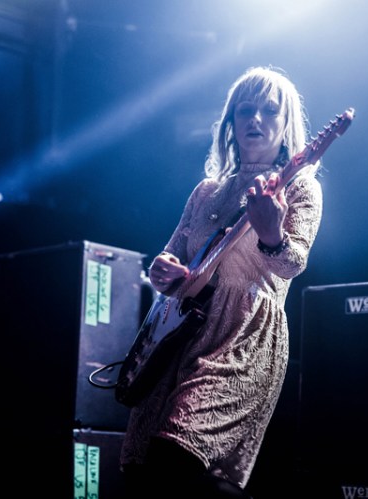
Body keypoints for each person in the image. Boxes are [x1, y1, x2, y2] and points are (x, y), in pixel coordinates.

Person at [119, 66, 324, 498]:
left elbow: (293, 264)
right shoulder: (206, 192)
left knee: (175, 456)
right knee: (142, 474)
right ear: (231, 122)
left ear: (287, 123)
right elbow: (171, 256)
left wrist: (272, 232)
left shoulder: (300, 187)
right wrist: (164, 270)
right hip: (179, 333)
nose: (256, 119)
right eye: (245, 110)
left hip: (241, 335)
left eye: (270, 110)